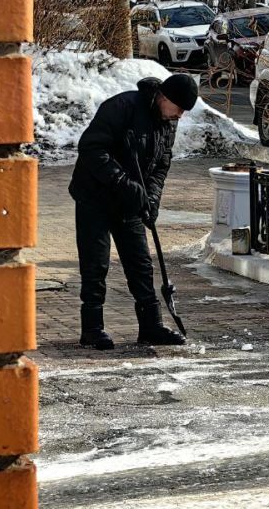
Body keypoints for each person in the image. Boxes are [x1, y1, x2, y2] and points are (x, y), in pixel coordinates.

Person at [68, 73, 199, 349]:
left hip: (130, 202)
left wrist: (151, 199)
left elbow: (161, 164)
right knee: (96, 263)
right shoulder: (122, 107)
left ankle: (151, 327)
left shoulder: (167, 123)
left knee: (140, 264)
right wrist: (122, 182)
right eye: (178, 109)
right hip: (95, 197)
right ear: (164, 97)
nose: (180, 116)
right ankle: (92, 329)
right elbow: (91, 149)